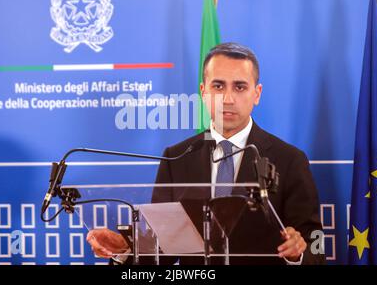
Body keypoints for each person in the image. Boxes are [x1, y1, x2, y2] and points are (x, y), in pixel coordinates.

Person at [87, 42, 326, 265]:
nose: (228, 98)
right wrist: (125, 251)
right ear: (203, 91)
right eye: (218, 86)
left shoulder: (290, 160)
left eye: (240, 86)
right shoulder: (175, 159)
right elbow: (161, 251)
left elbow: (315, 248)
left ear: (257, 93)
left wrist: (298, 254)